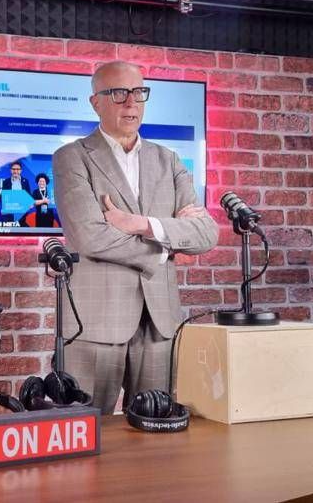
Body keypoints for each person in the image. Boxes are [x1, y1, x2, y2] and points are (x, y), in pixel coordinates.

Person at [51, 60, 217, 415]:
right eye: (118, 93)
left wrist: (140, 224)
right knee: (85, 428)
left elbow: (206, 233)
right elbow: (90, 237)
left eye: (139, 92)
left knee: (155, 431)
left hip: (159, 323)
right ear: (95, 102)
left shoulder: (169, 160)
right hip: (94, 323)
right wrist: (164, 250)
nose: (131, 102)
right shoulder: (72, 157)